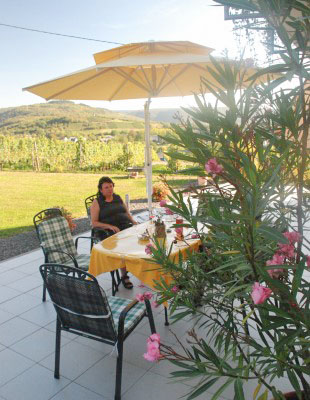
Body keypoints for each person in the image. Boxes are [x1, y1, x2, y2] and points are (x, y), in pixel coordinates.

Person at [90, 176, 137, 289]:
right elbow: (94, 223)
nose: (110, 189)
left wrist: (134, 222)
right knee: (122, 246)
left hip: (125, 227)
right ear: (101, 190)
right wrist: (110, 226)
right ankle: (124, 275)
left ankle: (139, 266)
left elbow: (127, 213)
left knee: (141, 238)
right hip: (107, 232)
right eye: (106, 187)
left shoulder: (117, 198)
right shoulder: (97, 202)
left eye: (111, 186)